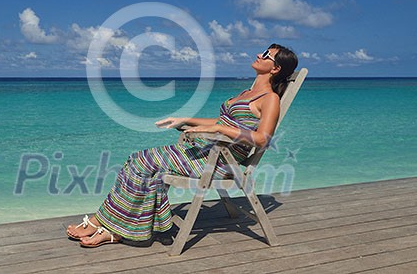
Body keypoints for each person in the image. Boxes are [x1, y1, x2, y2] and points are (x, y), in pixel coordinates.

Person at [67, 43, 298, 247]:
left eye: (267, 54)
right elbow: (219, 121)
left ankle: (104, 223)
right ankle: (126, 228)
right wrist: (186, 119)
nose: (260, 54)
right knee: (140, 163)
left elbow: (262, 138)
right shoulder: (247, 92)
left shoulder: (270, 99)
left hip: (222, 162)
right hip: (207, 152)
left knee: (142, 162)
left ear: (275, 68)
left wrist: (218, 130)